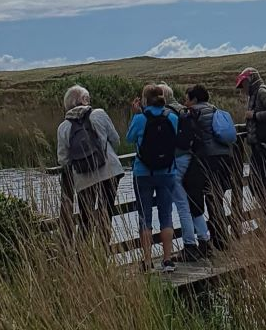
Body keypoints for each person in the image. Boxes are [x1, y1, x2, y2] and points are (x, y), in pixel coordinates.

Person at [56, 85, 124, 244]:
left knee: (85, 219)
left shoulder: (63, 127)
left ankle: (84, 256)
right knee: (106, 213)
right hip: (109, 172)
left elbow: (63, 159)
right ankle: (103, 252)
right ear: (84, 100)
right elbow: (115, 140)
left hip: (83, 178)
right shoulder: (99, 114)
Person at [126, 84, 180, 273]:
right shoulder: (172, 117)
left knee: (144, 217)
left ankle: (148, 261)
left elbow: (129, 139)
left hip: (143, 173)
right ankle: (167, 260)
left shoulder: (140, 119)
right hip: (167, 172)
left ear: (144, 100)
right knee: (166, 216)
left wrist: (135, 114)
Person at [158, 83, 210, 262]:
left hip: (176, 161)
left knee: (182, 204)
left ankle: (189, 246)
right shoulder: (183, 110)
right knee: (193, 201)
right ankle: (204, 241)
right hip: (190, 158)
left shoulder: (166, 113)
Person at [185, 84, 234, 251]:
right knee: (217, 197)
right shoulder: (215, 110)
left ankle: (215, 239)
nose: (185, 102)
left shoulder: (193, 113)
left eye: (187, 99)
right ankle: (221, 238)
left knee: (209, 197)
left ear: (194, 99)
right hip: (225, 157)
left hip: (207, 159)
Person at [235, 67, 266, 227]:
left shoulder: (261, 91)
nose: (243, 88)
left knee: (258, 181)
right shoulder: (255, 93)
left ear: (250, 80)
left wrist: (254, 115)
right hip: (259, 143)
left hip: (264, 142)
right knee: (259, 181)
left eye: (244, 84)